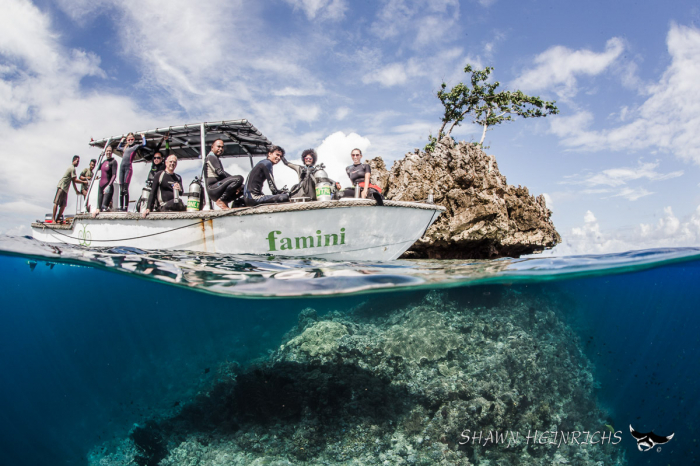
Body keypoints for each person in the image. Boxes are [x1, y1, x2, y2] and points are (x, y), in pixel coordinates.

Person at [205, 139, 244, 210]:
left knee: (243, 188)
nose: (220, 149)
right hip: (213, 188)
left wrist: (238, 185)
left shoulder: (216, 159)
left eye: (222, 147)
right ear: (212, 147)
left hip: (219, 188)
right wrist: (237, 181)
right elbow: (220, 173)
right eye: (218, 146)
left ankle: (226, 201)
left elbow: (224, 173)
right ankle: (221, 200)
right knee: (239, 178)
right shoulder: (211, 157)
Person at [116, 132, 147, 211]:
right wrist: (122, 140)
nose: (130, 141)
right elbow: (118, 147)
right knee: (121, 189)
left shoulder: (135, 147)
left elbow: (144, 144)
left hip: (128, 168)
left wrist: (143, 137)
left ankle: (125, 208)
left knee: (125, 189)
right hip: (122, 168)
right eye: (129, 139)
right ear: (127, 140)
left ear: (134, 140)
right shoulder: (125, 148)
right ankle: (121, 207)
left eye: (132, 139)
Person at [52, 155, 82, 224]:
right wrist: (84, 182)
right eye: (77, 161)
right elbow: (75, 180)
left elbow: (73, 181)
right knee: (56, 202)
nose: (78, 163)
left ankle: (58, 218)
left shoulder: (73, 169)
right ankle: (53, 219)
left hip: (65, 189)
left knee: (63, 205)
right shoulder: (72, 168)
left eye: (79, 162)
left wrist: (76, 190)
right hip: (61, 186)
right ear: (73, 160)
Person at [92, 146, 119, 217]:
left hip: (108, 187)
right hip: (101, 187)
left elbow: (114, 175)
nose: (108, 152)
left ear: (112, 152)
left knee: (104, 207)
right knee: (98, 208)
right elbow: (97, 168)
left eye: (110, 151)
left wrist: (109, 186)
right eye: (107, 151)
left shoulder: (113, 162)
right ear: (105, 152)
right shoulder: (104, 162)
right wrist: (100, 157)